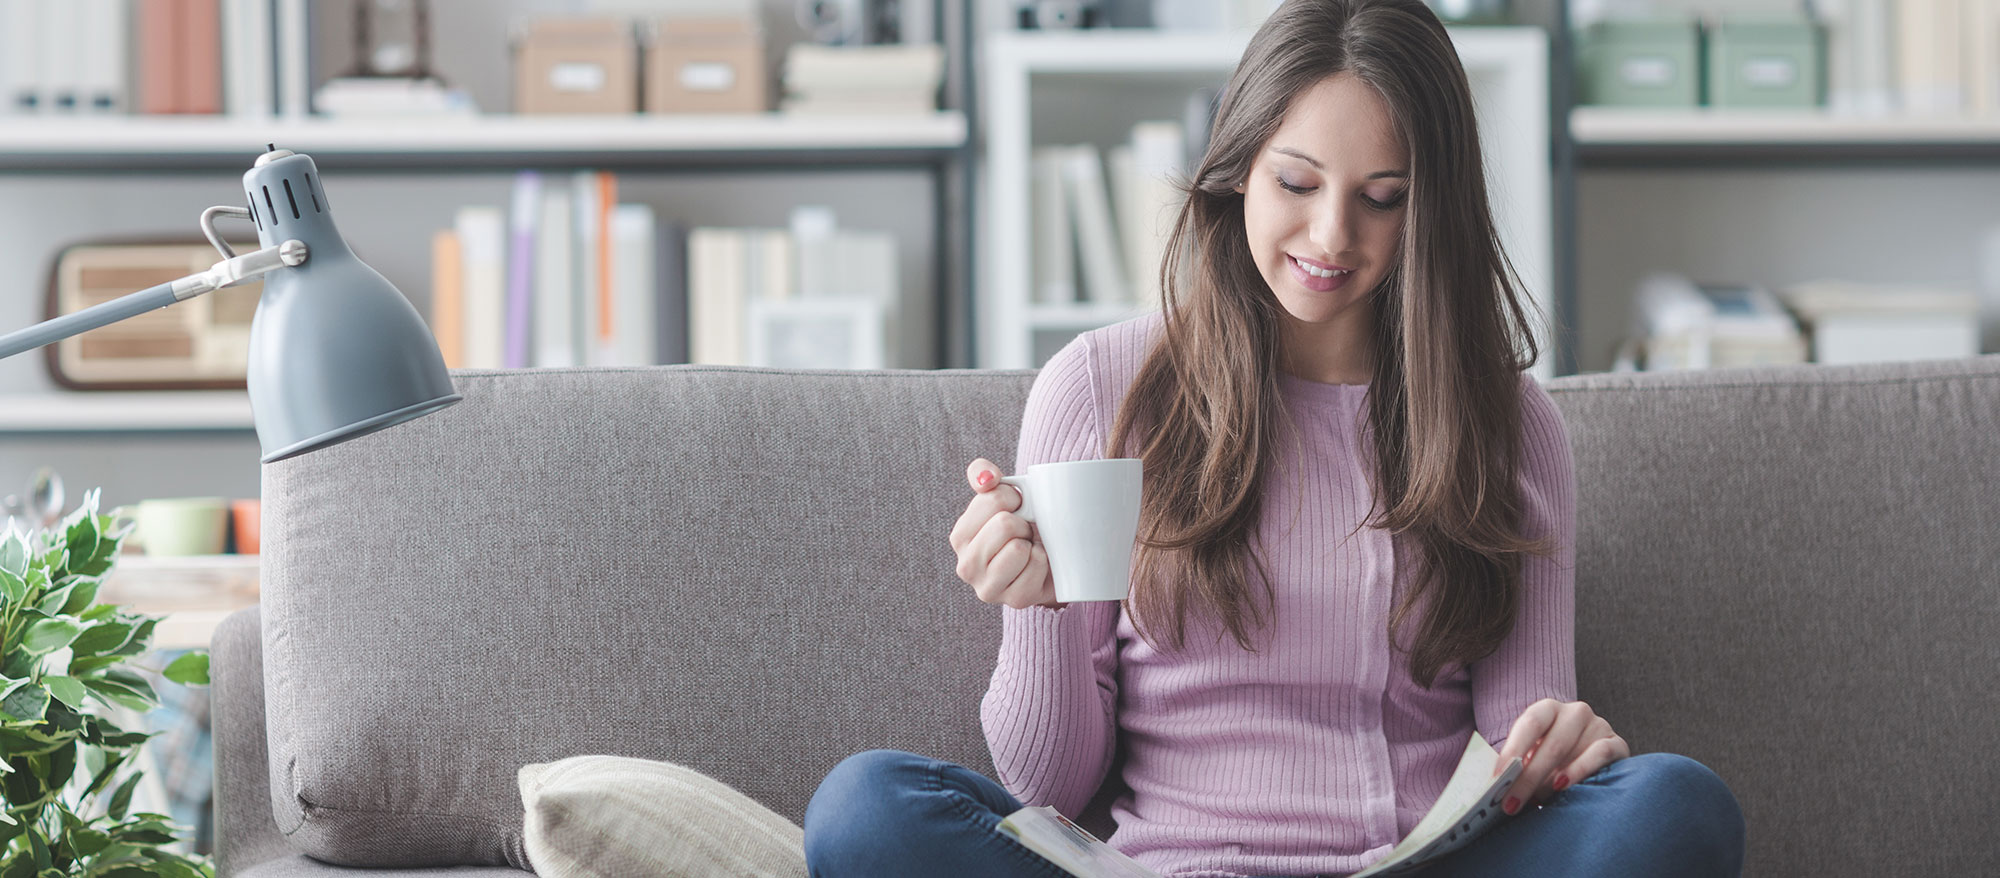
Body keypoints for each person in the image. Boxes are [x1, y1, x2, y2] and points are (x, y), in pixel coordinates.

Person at [803, 0, 1746, 875]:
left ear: (1432, 209)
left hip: (1417, 862)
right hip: (1171, 867)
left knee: (1673, 804)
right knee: (865, 809)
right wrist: (1037, 609)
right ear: (1238, 170)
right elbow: (1047, 789)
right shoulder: (1100, 387)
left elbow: (1516, 756)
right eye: (1297, 182)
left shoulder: (1508, 423)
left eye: (1383, 197)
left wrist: (1562, 751)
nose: (1331, 235)